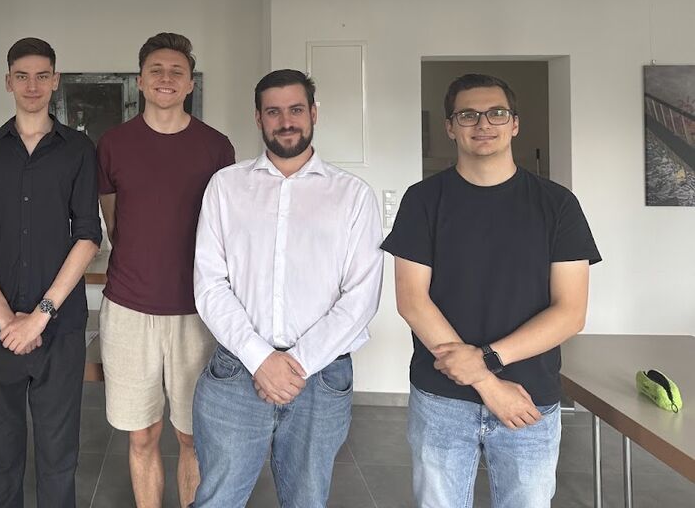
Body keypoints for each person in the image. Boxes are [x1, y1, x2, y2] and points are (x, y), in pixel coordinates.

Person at [381, 73, 601, 508]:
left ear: (514, 123)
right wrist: (486, 380)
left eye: (496, 113)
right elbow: (412, 301)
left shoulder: (558, 204)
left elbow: (570, 312)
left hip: (528, 398)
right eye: (468, 115)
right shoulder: (423, 200)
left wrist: (486, 362)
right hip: (441, 400)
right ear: (450, 127)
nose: (483, 123)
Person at [192, 69, 384, 508]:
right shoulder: (226, 186)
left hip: (322, 377)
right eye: (273, 112)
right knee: (217, 500)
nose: (286, 121)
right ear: (258, 118)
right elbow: (209, 283)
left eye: (296, 109)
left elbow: (361, 297)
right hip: (237, 370)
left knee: (307, 500)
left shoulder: (353, 195)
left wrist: (294, 365)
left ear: (313, 113)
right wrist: (261, 359)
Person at [0, 37, 101, 508]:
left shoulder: (79, 149)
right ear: (8, 82)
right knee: (0, 460)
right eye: (22, 76)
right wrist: (8, 321)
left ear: (55, 81)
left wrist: (38, 318)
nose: (32, 85)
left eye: (41, 76)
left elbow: (88, 237)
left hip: (59, 329)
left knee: (59, 459)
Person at [97, 32, 235, 508]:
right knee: (142, 435)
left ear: (190, 84)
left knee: (194, 436)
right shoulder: (113, 144)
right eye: (155, 70)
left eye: (177, 71)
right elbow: (115, 223)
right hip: (128, 310)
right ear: (140, 80)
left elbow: (224, 228)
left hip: (198, 312)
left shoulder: (216, 147)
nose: (166, 78)